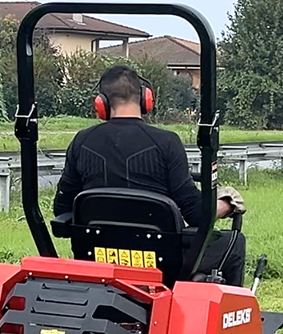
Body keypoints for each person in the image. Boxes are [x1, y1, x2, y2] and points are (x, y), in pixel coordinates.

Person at [53, 65, 247, 285]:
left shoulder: (81, 141)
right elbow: (196, 215)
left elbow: (62, 209)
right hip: (162, 265)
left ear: (101, 104)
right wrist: (227, 203)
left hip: (97, 259)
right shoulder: (167, 142)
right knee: (234, 242)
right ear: (147, 100)